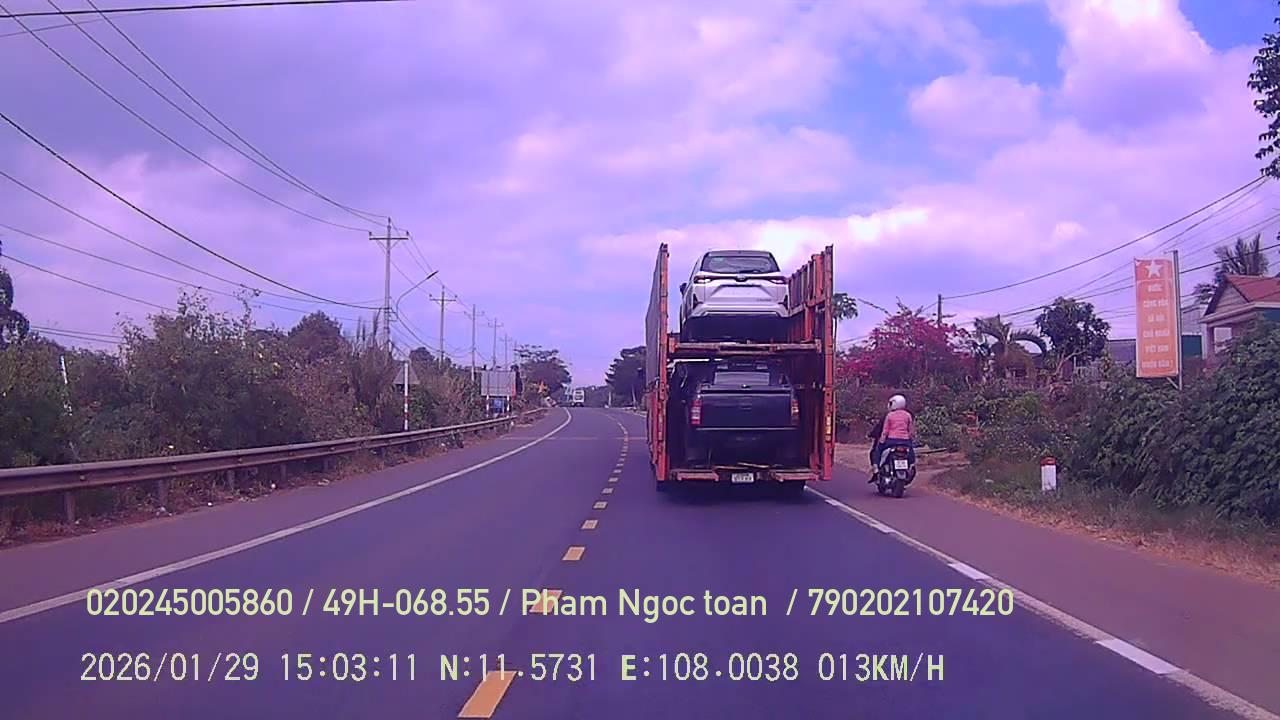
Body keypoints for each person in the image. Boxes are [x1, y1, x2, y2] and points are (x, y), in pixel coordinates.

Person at [870, 394, 915, 479]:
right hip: (905, 441)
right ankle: (911, 464)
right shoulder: (908, 415)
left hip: (892, 440)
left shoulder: (890, 415)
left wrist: (882, 440)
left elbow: (885, 430)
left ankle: (876, 467)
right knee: (911, 450)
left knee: (878, 450)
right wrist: (910, 439)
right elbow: (911, 430)